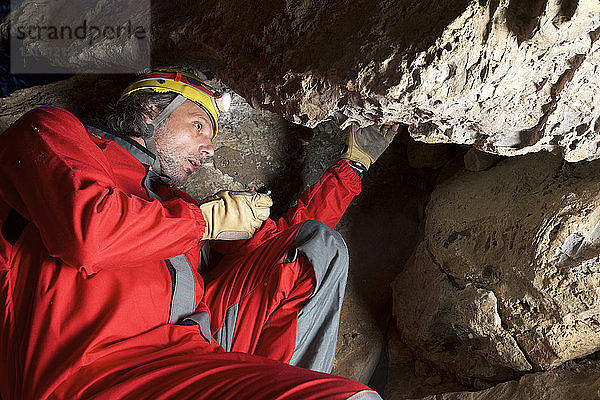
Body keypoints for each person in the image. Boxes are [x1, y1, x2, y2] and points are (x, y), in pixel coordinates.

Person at [0, 68, 396, 399]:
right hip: (94, 374)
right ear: (153, 109)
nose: (209, 150)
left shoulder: (177, 206)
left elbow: (283, 249)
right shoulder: (55, 131)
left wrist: (352, 169)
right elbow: (88, 234)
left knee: (318, 248)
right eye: (199, 126)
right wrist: (206, 221)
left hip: (196, 358)